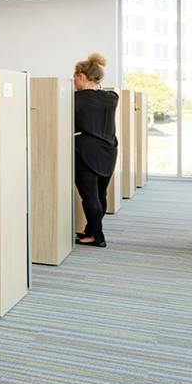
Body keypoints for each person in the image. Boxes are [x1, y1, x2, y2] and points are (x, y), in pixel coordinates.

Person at [72, 52, 119, 248]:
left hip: (87, 152)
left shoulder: (76, 99)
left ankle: (97, 237)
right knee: (100, 195)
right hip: (109, 151)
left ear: (81, 76)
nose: (74, 82)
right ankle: (91, 230)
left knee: (89, 197)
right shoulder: (112, 98)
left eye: (75, 77)